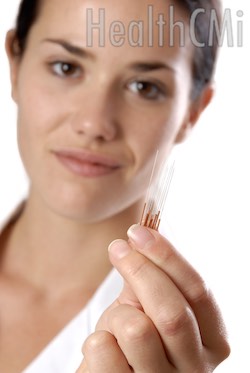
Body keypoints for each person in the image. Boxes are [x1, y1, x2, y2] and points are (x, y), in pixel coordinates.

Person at [0, 0, 230, 372]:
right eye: (66, 67)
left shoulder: (181, 344)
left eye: (144, 86)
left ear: (193, 112)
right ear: (15, 65)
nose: (94, 123)